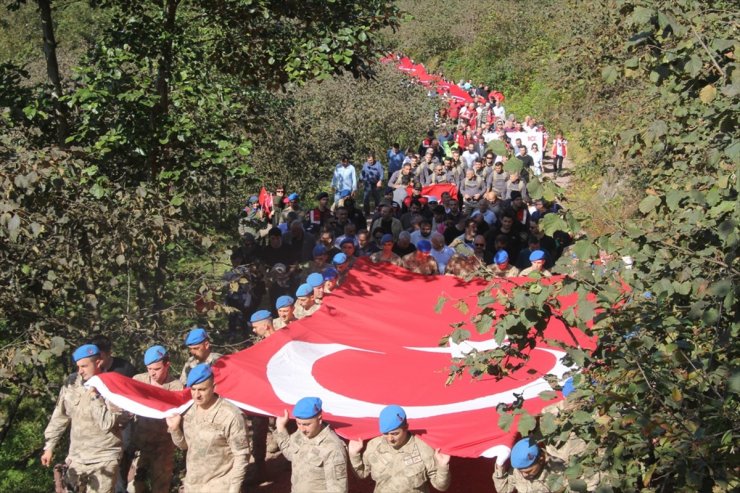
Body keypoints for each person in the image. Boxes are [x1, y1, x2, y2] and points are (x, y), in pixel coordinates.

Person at [41, 344, 127, 493]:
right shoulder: (72, 383)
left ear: (98, 362)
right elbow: (59, 416)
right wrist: (49, 447)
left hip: (104, 458)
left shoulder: (113, 385)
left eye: (84, 366)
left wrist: (95, 395)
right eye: (78, 366)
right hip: (77, 458)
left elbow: (107, 423)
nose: (80, 371)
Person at [166, 364, 249, 493]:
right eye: (193, 389)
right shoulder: (189, 411)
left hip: (220, 486)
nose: (197, 395)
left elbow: (241, 456)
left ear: (213, 387)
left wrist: (234, 489)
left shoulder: (230, 415)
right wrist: (175, 429)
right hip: (193, 485)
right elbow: (186, 446)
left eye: (202, 389)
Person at [348, 405, 450, 493]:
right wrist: (354, 455)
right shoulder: (374, 446)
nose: (390, 439)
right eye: (385, 433)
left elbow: (441, 486)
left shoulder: (423, 448)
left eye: (395, 434)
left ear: (406, 428)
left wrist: (443, 467)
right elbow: (362, 474)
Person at [129, 346, 183, 493]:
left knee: (160, 487)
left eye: (157, 369)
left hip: (162, 447)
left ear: (167, 365)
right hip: (140, 444)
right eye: (149, 368)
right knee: (135, 485)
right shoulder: (138, 381)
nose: (152, 373)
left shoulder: (175, 386)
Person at [275, 397, 349, 493]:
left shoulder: (333, 448)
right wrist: (281, 428)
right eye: (298, 423)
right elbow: (290, 454)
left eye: (306, 424)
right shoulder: (300, 433)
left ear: (320, 419)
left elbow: (338, 490)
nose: (302, 429)